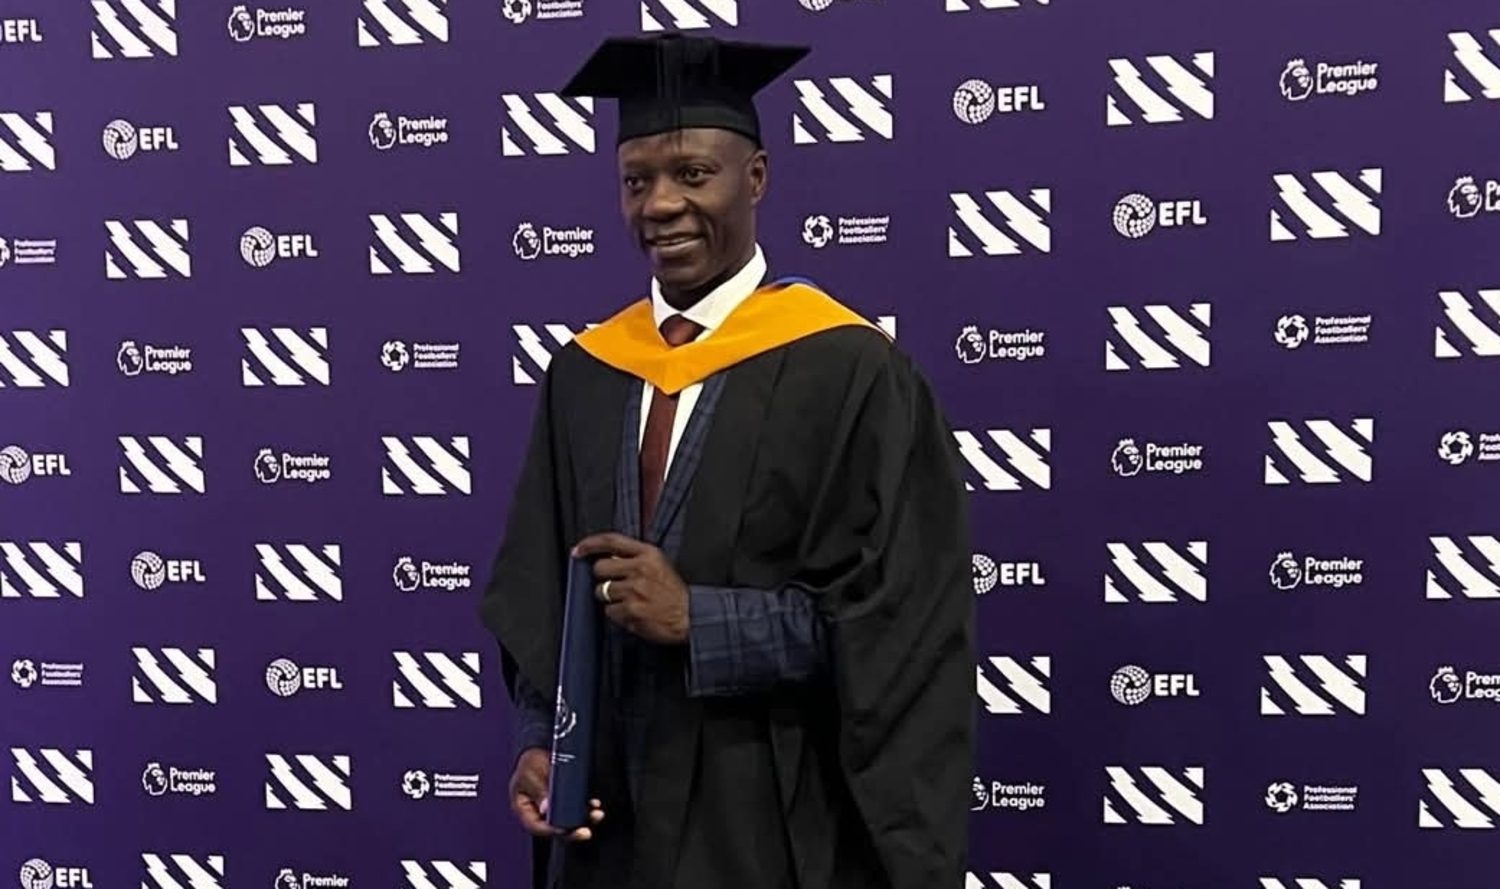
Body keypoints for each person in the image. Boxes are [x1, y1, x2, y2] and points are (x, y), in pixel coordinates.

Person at [478, 31, 974, 889]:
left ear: (757, 177)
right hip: (611, 825)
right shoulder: (587, 374)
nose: (661, 205)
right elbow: (540, 603)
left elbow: (898, 631)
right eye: (637, 181)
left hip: (770, 822)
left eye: (693, 174)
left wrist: (697, 619)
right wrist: (538, 741)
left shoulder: (849, 370)